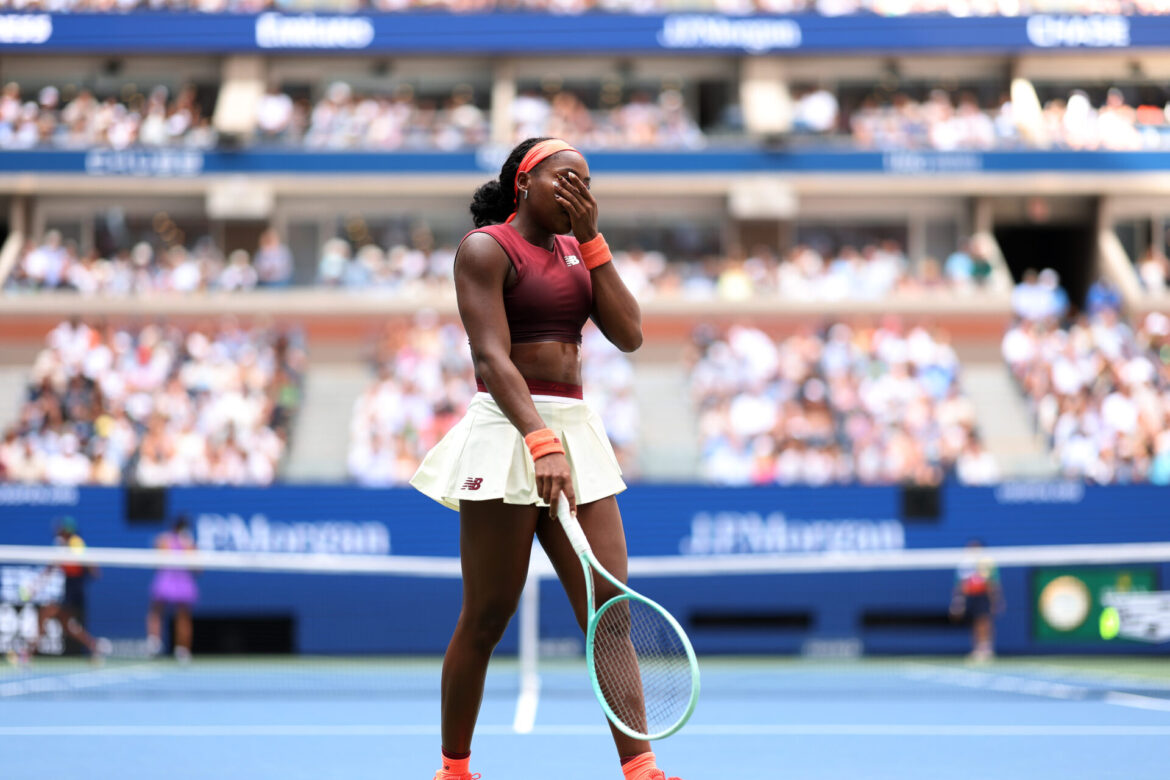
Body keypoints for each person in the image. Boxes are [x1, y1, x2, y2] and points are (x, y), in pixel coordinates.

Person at [410, 138, 679, 780]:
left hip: (576, 430)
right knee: (487, 615)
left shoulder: (579, 251)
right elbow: (490, 360)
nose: (579, 191)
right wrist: (538, 439)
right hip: (508, 429)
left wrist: (595, 241)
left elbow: (630, 335)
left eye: (587, 181)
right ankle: (455, 769)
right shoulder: (484, 248)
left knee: (609, 609)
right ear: (525, 182)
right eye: (566, 179)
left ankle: (640, 769)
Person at [39, 516, 110, 662]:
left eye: (61, 529)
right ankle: (95, 646)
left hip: (74, 591)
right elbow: (51, 567)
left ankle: (27, 653)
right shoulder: (61, 545)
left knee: (46, 613)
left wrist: (89, 572)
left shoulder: (75, 543)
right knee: (67, 626)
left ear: (67, 531)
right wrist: (36, 586)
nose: (58, 532)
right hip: (69, 590)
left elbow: (91, 566)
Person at [146, 515, 199, 662]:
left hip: (167, 581)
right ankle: (181, 651)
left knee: (157, 612)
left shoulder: (164, 540)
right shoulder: (188, 543)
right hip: (181, 582)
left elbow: (157, 560)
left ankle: (155, 643)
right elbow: (198, 569)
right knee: (181, 616)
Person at [950, 539, 1003, 662]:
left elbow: (993, 583)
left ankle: (987, 648)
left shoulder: (987, 562)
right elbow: (960, 585)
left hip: (983, 594)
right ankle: (977, 648)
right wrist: (958, 601)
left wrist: (996, 599)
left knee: (985, 621)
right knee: (974, 622)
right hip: (970, 595)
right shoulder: (964, 563)